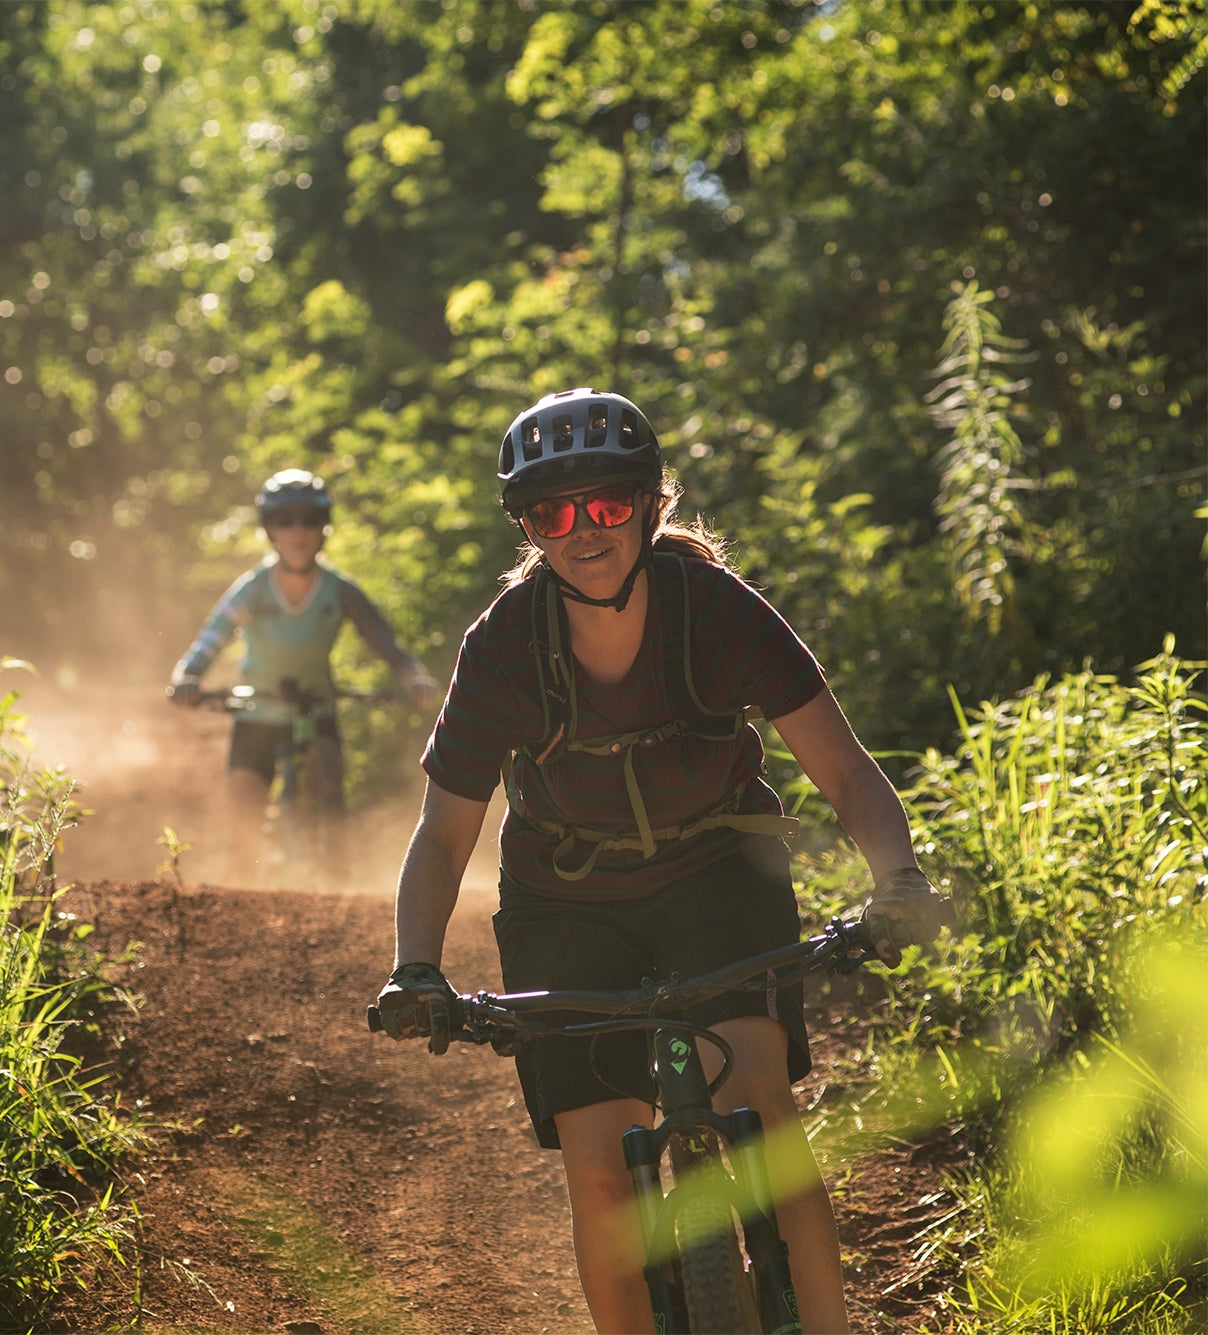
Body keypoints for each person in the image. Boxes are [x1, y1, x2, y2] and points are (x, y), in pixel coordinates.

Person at [371, 388, 954, 1334]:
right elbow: (443, 835)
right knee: (599, 1169)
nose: (582, 530)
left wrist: (900, 883)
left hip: (719, 871)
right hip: (564, 901)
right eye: (552, 513)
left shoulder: (718, 613)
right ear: (529, 528)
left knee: (761, 1108)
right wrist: (415, 969)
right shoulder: (506, 646)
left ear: (650, 505)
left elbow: (845, 772)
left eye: (606, 503)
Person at [168, 469, 441, 881]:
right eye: (285, 520)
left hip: (317, 707)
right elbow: (213, 636)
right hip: (256, 708)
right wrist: (188, 675)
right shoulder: (254, 588)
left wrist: (412, 676)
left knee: (330, 794)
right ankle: (243, 887)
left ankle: (336, 882)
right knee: (244, 807)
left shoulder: (340, 590)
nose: (298, 531)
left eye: (309, 520)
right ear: (270, 530)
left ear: (323, 528)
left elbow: (384, 641)